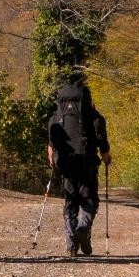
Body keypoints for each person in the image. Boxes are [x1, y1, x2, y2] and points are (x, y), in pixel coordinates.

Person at [46, 80, 111, 256]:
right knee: (90, 200)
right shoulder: (95, 116)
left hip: (65, 164)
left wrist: (54, 160)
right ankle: (83, 229)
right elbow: (103, 145)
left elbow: (51, 148)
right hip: (87, 162)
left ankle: (71, 243)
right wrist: (106, 159)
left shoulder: (56, 117)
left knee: (71, 201)